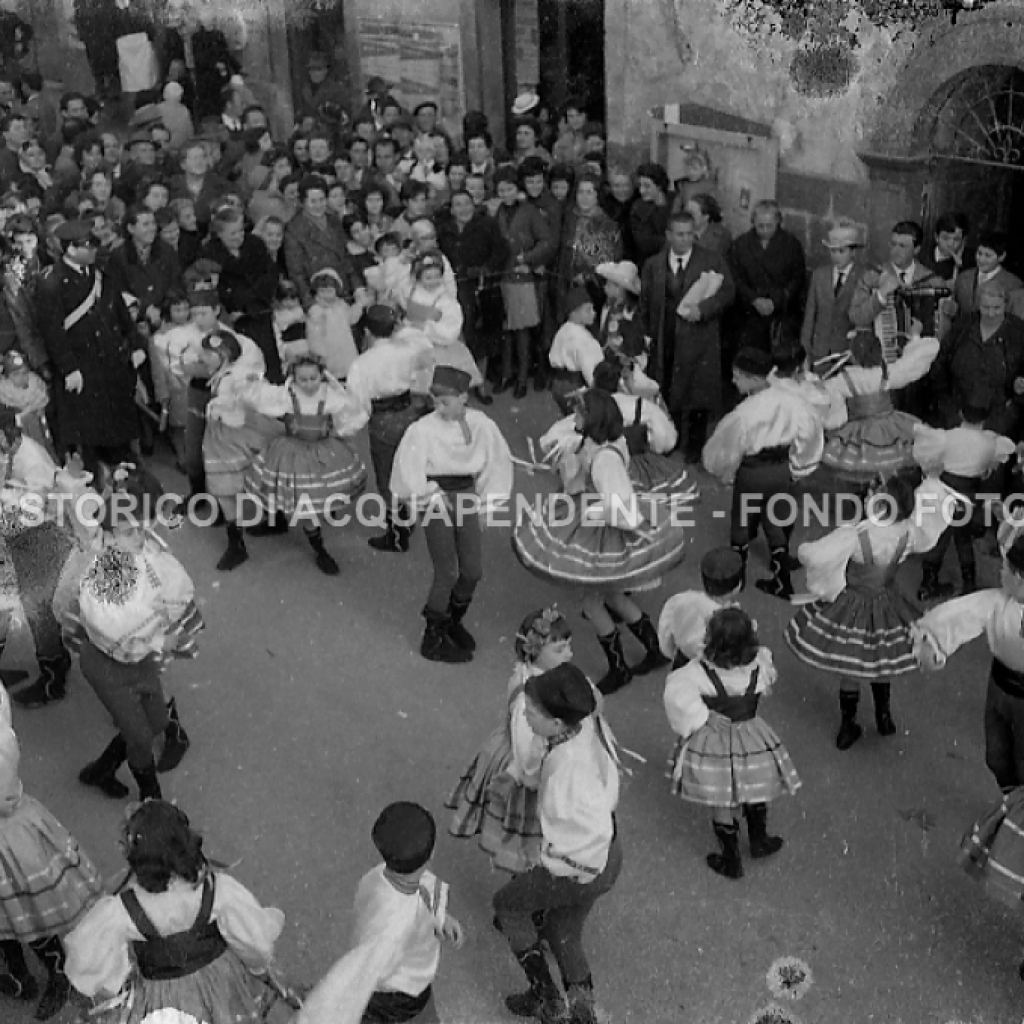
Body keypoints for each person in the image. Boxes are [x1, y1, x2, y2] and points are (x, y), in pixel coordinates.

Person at [513, 389, 692, 694]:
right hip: (600, 521)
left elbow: (622, 509)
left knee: (593, 601)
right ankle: (654, 649)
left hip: (604, 527)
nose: (574, 419)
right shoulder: (605, 443)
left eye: (580, 414)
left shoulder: (604, 460)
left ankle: (619, 668)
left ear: (593, 419)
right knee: (612, 595)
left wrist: (586, 506)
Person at [65, 800, 285, 1024]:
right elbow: (253, 941)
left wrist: (114, 985)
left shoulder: (120, 910)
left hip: (160, 997)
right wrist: (258, 968)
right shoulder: (217, 889)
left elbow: (88, 961)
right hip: (221, 983)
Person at [785, 473, 956, 750]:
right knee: (881, 657)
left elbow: (813, 555)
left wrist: (806, 551)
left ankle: (848, 726)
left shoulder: (856, 535)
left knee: (850, 665)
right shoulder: (909, 534)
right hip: (888, 600)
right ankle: (884, 716)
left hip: (852, 602)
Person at [61, 465, 201, 801]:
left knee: (154, 723)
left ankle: (101, 769)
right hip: (108, 668)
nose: (138, 537)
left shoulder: (143, 558)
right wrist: (160, 639)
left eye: (139, 529)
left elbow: (169, 589)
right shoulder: (101, 578)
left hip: (139, 662)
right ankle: (150, 796)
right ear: (107, 537)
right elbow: (117, 631)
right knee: (139, 737)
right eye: (126, 532)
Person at [491, 663, 620, 1024]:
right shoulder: (581, 726)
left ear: (557, 724)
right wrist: (515, 775)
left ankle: (545, 999)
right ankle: (582, 1015)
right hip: (608, 857)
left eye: (531, 712)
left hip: (583, 862)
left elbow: (588, 834)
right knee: (563, 933)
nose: (525, 716)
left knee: (508, 905)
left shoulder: (569, 773)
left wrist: (546, 862)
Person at [295, 802, 464, 1024]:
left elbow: (424, 895)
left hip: (404, 979)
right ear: (432, 853)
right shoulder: (393, 927)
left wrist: (441, 919)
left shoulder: (379, 876)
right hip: (399, 992)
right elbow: (360, 972)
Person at [390, 365, 513, 664]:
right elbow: (407, 471)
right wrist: (429, 494)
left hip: (466, 495)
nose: (439, 408)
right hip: (435, 498)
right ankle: (431, 639)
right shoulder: (421, 430)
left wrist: (487, 503)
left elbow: (497, 463)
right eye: (435, 401)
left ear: (463, 397)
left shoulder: (482, 425)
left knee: (472, 571)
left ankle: (451, 622)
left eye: (446, 402)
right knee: (446, 571)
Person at [665, 606, 800, 879]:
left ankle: (731, 859)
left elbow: (677, 696)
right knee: (754, 787)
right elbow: (766, 681)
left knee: (721, 799)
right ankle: (759, 840)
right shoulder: (759, 663)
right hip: (752, 736)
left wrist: (702, 715)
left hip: (714, 739)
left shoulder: (697, 672)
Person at [0, 685, 102, 1020]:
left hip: (9, 839)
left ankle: (54, 973)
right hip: (14, 831)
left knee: (28, 911)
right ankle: (19, 976)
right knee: (15, 915)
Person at [447, 607, 574, 872]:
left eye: (569, 647)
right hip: (524, 765)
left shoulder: (545, 677)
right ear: (534, 651)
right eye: (560, 649)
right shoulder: (526, 698)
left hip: (535, 755)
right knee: (525, 831)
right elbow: (527, 748)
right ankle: (523, 877)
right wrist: (537, 775)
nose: (570, 655)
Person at [703, 346, 824, 598]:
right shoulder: (792, 400)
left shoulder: (743, 414)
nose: (733, 380)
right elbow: (810, 430)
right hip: (781, 470)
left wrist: (725, 472)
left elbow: (723, 450)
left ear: (754, 378)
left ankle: (735, 579)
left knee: (741, 521)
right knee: (774, 520)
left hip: (752, 473)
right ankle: (782, 581)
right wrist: (798, 465)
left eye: (738, 375)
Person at [914, 529, 1024, 800]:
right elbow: (961, 614)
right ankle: (1012, 801)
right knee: (997, 756)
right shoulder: (997, 601)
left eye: (1005, 569)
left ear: (1020, 578)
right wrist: (933, 639)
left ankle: (1017, 813)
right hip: (999, 687)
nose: (1000, 573)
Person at [35, 220, 147, 480]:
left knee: (117, 428)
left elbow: (120, 315)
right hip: (82, 367)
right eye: (88, 245)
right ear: (70, 250)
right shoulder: (52, 283)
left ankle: (127, 486)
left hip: (110, 363)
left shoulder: (101, 276)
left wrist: (135, 344)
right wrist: (69, 368)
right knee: (87, 437)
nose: (94, 250)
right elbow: (53, 332)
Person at [242, 352, 367, 575]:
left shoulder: (330, 396)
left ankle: (319, 535)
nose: (309, 384)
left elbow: (349, 416)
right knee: (304, 503)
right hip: (293, 451)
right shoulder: (287, 396)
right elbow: (262, 399)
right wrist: (252, 383)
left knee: (320, 493)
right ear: (293, 378)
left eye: (313, 378)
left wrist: (338, 432)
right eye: (303, 380)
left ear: (322, 375)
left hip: (322, 451)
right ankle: (317, 546)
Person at [639, 210, 736, 462]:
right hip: (666, 336)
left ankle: (694, 447)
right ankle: (669, 439)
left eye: (690, 235)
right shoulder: (654, 264)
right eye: (679, 235)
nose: (685, 240)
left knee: (697, 392)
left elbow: (727, 293)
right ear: (668, 235)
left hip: (698, 337)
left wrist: (703, 310)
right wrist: (647, 335)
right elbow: (646, 302)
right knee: (667, 389)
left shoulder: (711, 260)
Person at [346, 306, 433, 554]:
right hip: (409, 413)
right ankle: (408, 517)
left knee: (387, 476)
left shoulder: (362, 364)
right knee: (408, 465)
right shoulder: (408, 350)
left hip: (383, 419)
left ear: (366, 331)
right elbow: (424, 366)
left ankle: (396, 534)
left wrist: (346, 426)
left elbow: (357, 403)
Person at [195, 330, 284, 571]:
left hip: (229, 437)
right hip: (234, 433)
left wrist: (219, 409)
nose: (202, 358)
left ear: (222, 354)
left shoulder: (232, 379)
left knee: (225, 487)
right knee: (258, 475)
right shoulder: (232, 374)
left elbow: (242, 402)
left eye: (207, 354)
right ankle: (274, 519)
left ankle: (237, 545)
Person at [817, 325, 940, 492]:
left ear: (853, 355)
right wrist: (915, 338)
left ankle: (868, 496)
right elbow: (922, 356)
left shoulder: (842, 380)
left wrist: (826, 425)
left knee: (863, 470)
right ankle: (888, 496)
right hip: (892, 427)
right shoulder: (886, 372)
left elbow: (837, 418)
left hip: (858, 433)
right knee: (892, 466)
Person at [913, 401, 1016, 600]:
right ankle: (969, 584)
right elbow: (997, 460)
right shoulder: (992, 442)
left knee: (940, 536)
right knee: (962, 538)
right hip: (968, 497)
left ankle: (927, 585)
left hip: (943, 493)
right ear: (985, 418)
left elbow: (925, 458)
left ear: (961, 413)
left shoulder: (945, 437)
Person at [437, 188, 508, 405]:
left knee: (482, 336)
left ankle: (481, 384)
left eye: (466, 203)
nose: (463, 209)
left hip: (481, 286)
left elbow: (501, 252)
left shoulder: (487, 225)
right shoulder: (444, 230)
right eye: (457, 204)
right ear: (451, 209)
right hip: (454, 289)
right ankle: (460, 385)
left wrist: (484, 269)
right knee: (460, 336)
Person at [933, 283, 1024, 438]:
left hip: (1001, 425)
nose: (991, 313)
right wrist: (953, 417)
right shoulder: (962, 326)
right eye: (985, 307)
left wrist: (996, 425)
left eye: (997, 308)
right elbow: (939, 370)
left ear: (1005, 305)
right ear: (978, 305)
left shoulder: (1018, 332)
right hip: (956, 419)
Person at [493, 165, 554, 397]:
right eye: (501, 190)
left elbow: (546, 240)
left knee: (522, 330)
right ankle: (507, 374)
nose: (506, 194)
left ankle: (521, 378)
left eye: (510, 189)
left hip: (522, 276)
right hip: (503, 277)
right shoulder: (497, 211)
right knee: (506, 329)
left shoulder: (529, 211)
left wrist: (527, 258)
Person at [727, 199, 807, 355]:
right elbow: (735, 277)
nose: (764, 230)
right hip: (749, 315)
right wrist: (753, 299)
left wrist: (775, 301)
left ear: (778, 222)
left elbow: (797, 278)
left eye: (769, 226)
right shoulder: (741, 244)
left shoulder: (791, 245)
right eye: (760, 226)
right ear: (753, 222)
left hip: (779, 317)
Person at [400, 251, 481, 387]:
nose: (433, 281)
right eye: (428, 277)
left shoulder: (445, 301)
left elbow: (451, 329)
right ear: (418, 277)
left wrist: (426, 328)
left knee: (438, 383)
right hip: (413, 343)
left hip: (439, 348)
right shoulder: (411, 292)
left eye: (437, 277)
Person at [658, 547, 746, 669]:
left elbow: (665, 630)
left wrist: (673, 653)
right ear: (738, 585)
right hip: (709, 671)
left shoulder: (680, 599)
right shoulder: (733, 622)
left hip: (682, 660)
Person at [284, 174, 360, 312]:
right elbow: (297, 274)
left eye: (322, 200)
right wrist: (310, 305)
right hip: (319, 299)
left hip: (344, 292)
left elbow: (346, 258)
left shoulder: (334, 221)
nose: (318, 206)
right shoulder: (294, 230)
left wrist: (358, 288)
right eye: (313, 201)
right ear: (302, 201)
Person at [800, 221, 867, 369]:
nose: (836, 256)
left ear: (853, 252)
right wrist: (804, 352)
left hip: (848, 355)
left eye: (841, 251)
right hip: (820, 352)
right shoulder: (819, 275)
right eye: (832, 251)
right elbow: (810, 316)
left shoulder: (863, 277)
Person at [304, 269, 370, 381]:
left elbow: (351, 318)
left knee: (350, 376)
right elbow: (314, 336)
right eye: (322, 291)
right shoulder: (316, 312)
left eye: (330, 291)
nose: (326, 295)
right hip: (328, 355)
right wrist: (319, 355)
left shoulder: (341, 305)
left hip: (346, 350)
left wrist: (358, 306)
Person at [548, 286, 603, 414]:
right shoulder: (583, 340)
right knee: (582, 421)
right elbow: (590, 373)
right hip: (577, 388)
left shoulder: (563, 330)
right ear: (574, 313)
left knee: (569, 418)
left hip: (559, 386)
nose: (594, 313)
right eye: (588, 310)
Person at [630, 164, 673, 266]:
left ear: (659, 185)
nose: (641, 190)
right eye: (640, 185)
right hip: (650, 263)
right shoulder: (638, 208)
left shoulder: (676, 201)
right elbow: (645, 242)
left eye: (647, 186)